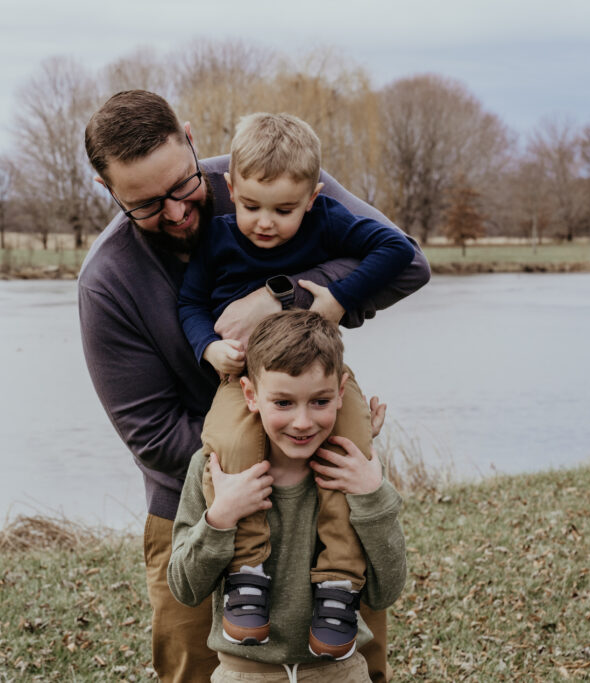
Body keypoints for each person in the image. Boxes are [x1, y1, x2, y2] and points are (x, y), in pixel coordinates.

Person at [80, 89, 430, 682]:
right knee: (195, 669)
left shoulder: (270, 174)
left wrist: (278, 298)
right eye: (143, 204)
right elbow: (156, 438)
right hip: (206, 501)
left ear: (191, 141)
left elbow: (407, 263)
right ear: (107, 191)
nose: (174, 213)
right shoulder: (107, 284)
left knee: (354, 664)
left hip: (329, 483)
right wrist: (276, 452)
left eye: (182, 186)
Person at [177, 112, 414, 658]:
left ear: (312, 197)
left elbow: (398, 251)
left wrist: (337, 299)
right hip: (243, 378)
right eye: (251, 206)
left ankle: (338, 580)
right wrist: (208, 348)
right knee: (233, 445)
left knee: (351, 445)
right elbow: (190, 303)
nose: (265, 223)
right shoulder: (215, 239)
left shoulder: (328, 221)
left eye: (284, 210)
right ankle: (248, 572)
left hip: (320, 370)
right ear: (230, 190)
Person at [167, 310, 406, 682]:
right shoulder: (214, 470)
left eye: (320, 401)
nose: (302, 422)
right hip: (244, 675)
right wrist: (220, 518)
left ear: (341, 393)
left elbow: (384, 592)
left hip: (340, 673)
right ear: (250, 395)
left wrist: (372, 497)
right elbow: (185, 588)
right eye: (283, 403)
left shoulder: (358, 473)